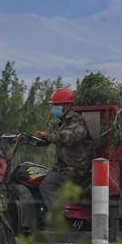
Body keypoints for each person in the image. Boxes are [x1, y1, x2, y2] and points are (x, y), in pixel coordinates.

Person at [35, 87, 94, 216]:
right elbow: (49, 139)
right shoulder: (60, 123)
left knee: (47, 186)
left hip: (77, 170)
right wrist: (28, 138)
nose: (54, 108)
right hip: (62, 169)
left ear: (67, 105)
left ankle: (58, 220)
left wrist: (47, 135)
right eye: (54, 105)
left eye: (57, 105)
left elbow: (67, 137)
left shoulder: (77, 122)